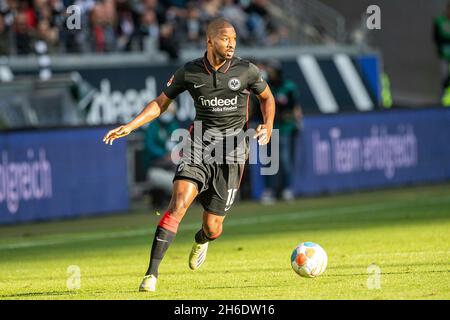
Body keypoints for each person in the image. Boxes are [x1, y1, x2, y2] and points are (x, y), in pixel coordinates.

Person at [103, 18, 276, 292]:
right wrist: (130, 125)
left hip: (231, 155)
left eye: (233, 38)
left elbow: (267, 97)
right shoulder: (190, 72)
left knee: (213, 227)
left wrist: (267, 125)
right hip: (198, 147)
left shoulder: (246, 70)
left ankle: (202, 239)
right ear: (209, 41)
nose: (230, 43)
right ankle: (151, 275)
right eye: (224, 38)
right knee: (178, 204)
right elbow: (161, 103)